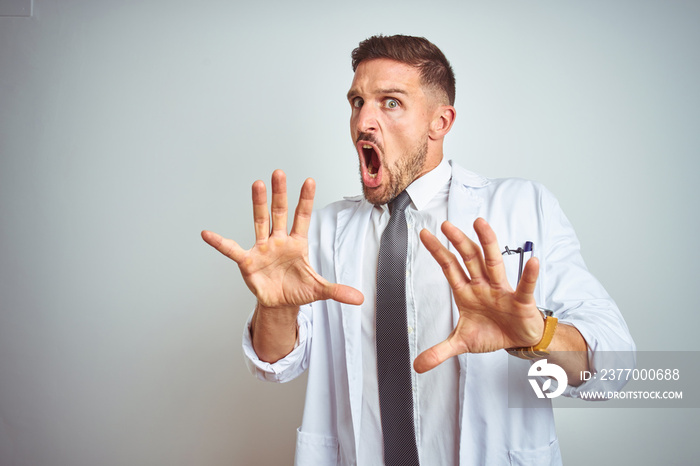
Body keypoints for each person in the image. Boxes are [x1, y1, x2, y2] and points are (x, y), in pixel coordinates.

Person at [202, 35, 634, 466]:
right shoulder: (319, 230)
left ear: (440, 122)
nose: (363, 122)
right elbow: (275, 364)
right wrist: (274, 308)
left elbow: (616, 365)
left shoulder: (522, 207)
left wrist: (538, 335)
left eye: (390, 102)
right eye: (357, 102)